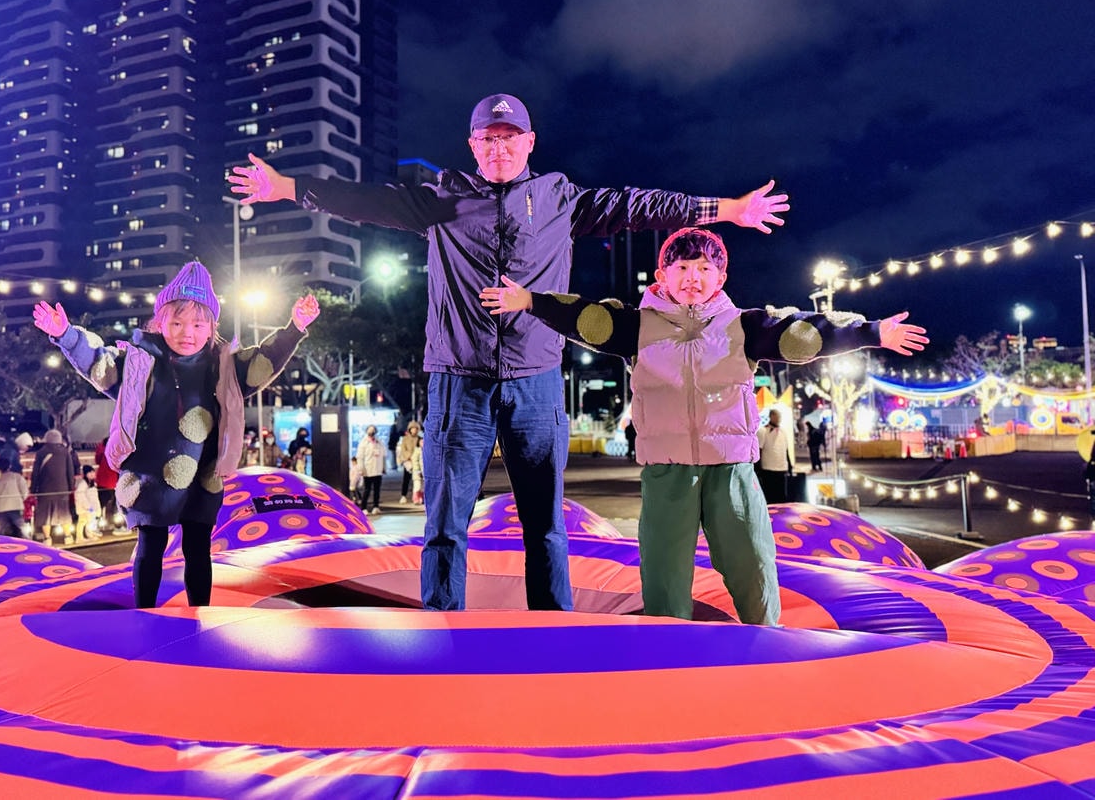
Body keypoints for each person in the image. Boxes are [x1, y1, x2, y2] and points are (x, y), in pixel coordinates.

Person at [229, 92, 789, 612]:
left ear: (529, 142)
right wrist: (286, 187)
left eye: (509, 137)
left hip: (537, 380)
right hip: (457, 379)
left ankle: (555, 624)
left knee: (545, 522)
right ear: (474, 146)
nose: (499, 148)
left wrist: (725, 209)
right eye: (487, 139)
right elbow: (365, 201)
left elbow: (637, 206)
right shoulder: (442, 199)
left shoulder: (558, 199)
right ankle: (440, 625)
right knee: (446, 522)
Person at [481, 226, 928, 624]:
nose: (693, 276)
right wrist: (529, 301)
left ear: (720, 279)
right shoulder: (634, 326)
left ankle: (766, 636)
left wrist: (872, 332)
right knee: (664, 567)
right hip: (667, 470)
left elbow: (805, 334)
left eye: (704, 268)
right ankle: (666, 647)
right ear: (662, 275)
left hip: (731, 468)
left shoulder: (744, 326)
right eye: (681, 267)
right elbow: (586, 317)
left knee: (751, 559)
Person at [33, 260, 320, 608]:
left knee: (198, 547)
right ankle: (144, 614)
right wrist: (65, 334)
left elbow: (263, 362)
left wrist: (294, 329)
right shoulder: (141, 361)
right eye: (177, 322)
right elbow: (99, 361)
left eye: (199, 324)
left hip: (203, 474)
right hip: (149, 474)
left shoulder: (223, 364)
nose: (188, 332)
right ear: (160, 321)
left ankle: (200, 614)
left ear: (212, 326)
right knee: (150, 546)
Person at [30, 429, 74, 545]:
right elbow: (70, 471)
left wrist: (33, 489)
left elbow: (35, 473)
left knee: (45, 515)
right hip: (62, 489)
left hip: (45, 490)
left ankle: (47, 539)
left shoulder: (41, 453)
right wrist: (71, 487)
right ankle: (68, 536)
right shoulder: (65, 452)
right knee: (64, 513)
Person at [0, 453, 29, 538]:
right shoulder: (17, 477)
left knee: (0, 530)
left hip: (2, 508)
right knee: (22, 528)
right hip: (16, 506)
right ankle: (29, 542)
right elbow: (25, 491)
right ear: (9, 466)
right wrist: (21, 499)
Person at [757, 409, 792, 504]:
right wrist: (758, 469)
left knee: (782, 497)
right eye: (777, 416)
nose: (779, 419)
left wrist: (789, 466)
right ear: (771, 416)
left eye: (780, 416)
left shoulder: (783, 431)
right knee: (770, 496)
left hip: (781, 468)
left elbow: (785, 450)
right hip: (768, 469)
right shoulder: (763, 431)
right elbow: (758, 451)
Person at [355, 425, 386, 515]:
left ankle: (376, 506)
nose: (372, 432)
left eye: (373, 430)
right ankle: (363, 507)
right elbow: (360, 457)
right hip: (367, 470)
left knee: (377, 489)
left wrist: (384, 467)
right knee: (367, 489)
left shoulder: (379, 442)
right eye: (370, 430)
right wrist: (361, 469)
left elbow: (383, 455)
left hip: (378, 469)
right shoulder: (363, 443)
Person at [93, 437, 120, 523]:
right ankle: (117, 524)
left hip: (103, 479)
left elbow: (97, 461)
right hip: (115, 480)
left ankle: (100, 522)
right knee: (116, 504)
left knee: (101, 503)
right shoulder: (118, 446)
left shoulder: (101, 446)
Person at [395, 421, 421, 503]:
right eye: (413, 428)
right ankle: (403, 495)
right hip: (408, 462)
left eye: (416, 428)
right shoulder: (405, 439)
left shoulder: (420, 439)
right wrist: (409, 456)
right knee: (406, 479)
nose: (414, 430)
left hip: (418, 462)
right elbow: (403, 450)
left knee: (417, 480)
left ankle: (417, 497)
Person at [74, 465, 101, 540]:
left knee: (89, 522)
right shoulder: (83, 484)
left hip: (90, 508)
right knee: (82, 522)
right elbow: (80, 496)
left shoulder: (93, 484)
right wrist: (88, 507)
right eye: (90, 472)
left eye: (93, 472)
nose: (92, 474)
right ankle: (79, 537)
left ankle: (89, 535)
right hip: (84, 508)